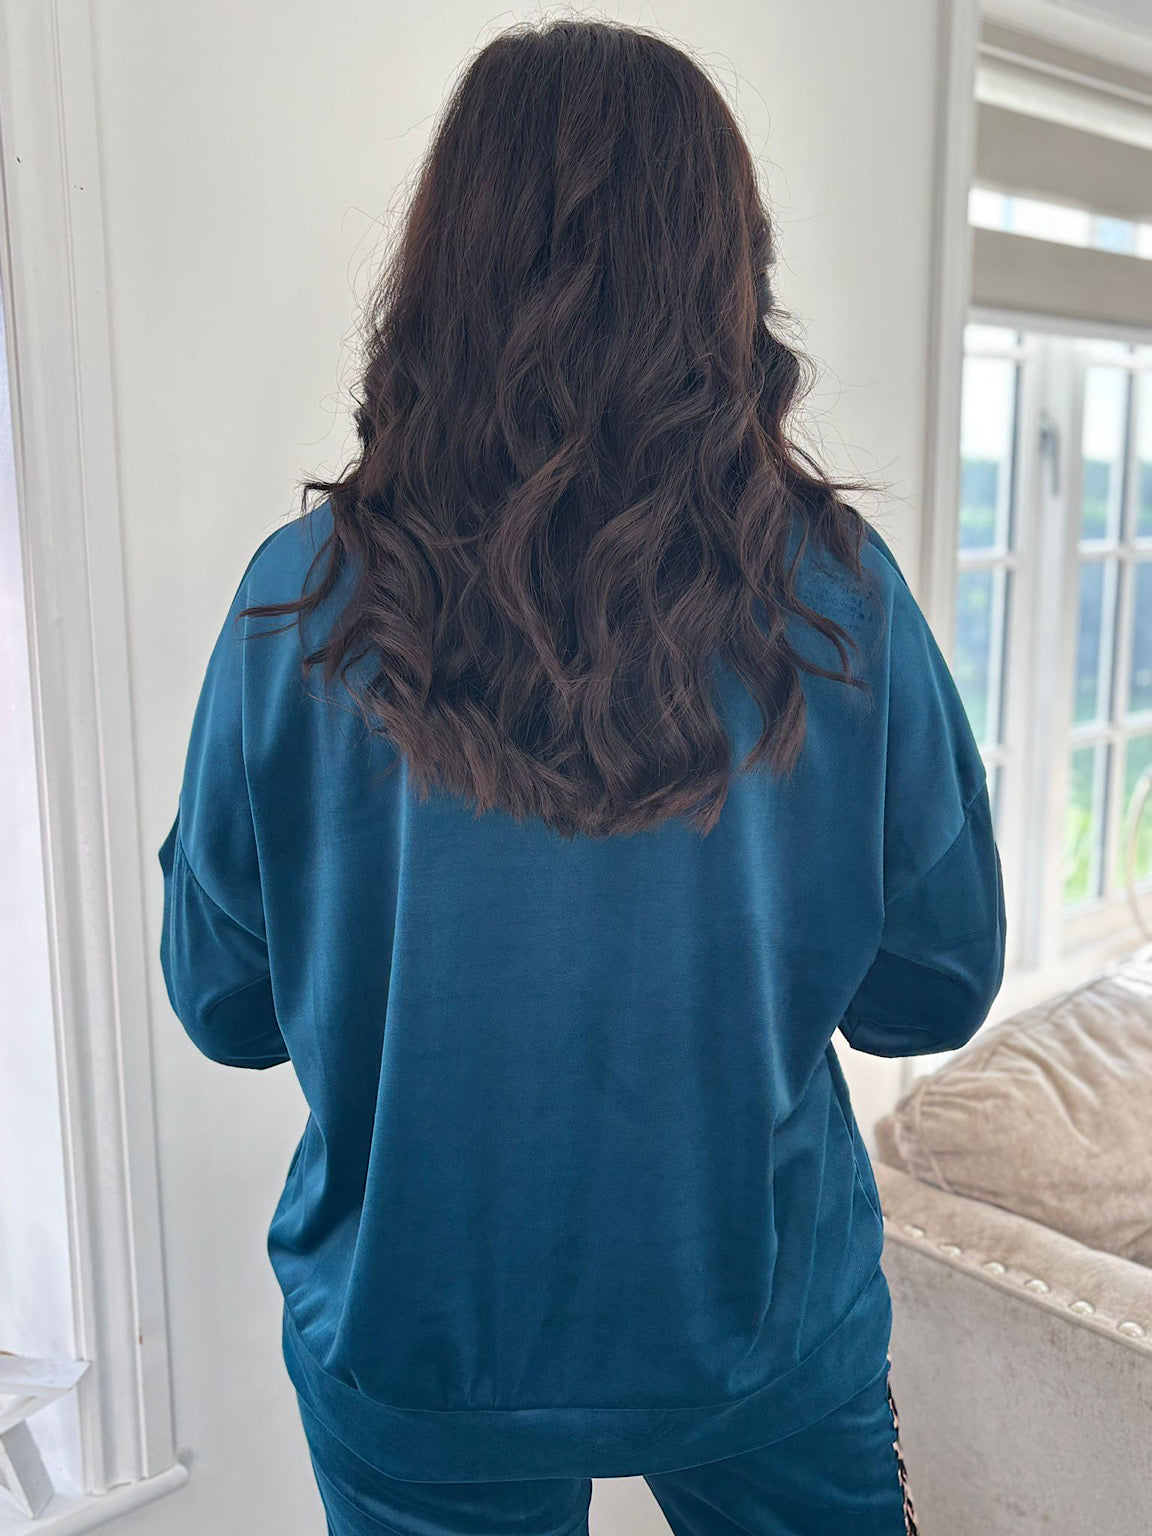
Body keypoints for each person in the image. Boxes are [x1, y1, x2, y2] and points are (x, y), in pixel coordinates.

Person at [157, 18, 1005, 1536]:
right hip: (755, 1322)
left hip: (418, 1342)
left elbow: (224, 1006)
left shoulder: (299, 607)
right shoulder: (841, 602)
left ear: (440, 271)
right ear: (727, 272)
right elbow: (932, 989)